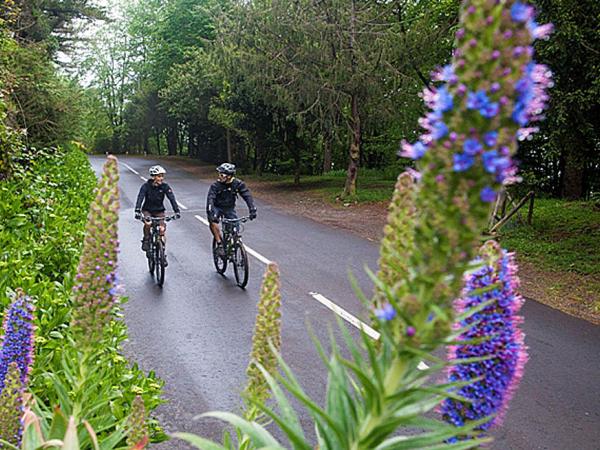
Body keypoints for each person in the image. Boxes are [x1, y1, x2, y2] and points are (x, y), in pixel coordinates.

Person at [206, 163, 256, 255]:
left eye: (222, 175)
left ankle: (234, 245)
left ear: (229, 176)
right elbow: (210, 199)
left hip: (229, 208)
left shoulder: (238, 184)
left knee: (235, 228)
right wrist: (211, 213)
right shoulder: (215, 186)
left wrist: (252, 209)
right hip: (217, 207)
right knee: (213, 222)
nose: (219, 176)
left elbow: (247, 196)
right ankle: (219, 244)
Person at [134, 165, 181, 261]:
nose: (161, 178)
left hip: (159, 211)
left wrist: (177, 211)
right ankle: (146, 240)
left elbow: (171, 198)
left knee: (162, 229)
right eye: (159, 176)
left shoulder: (165, 186)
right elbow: (140, 197)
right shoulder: (146, 186)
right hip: (147, 210)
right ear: (153, 176)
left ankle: (162, 252)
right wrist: (137, 210)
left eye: (162, 176)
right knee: (148, 223)